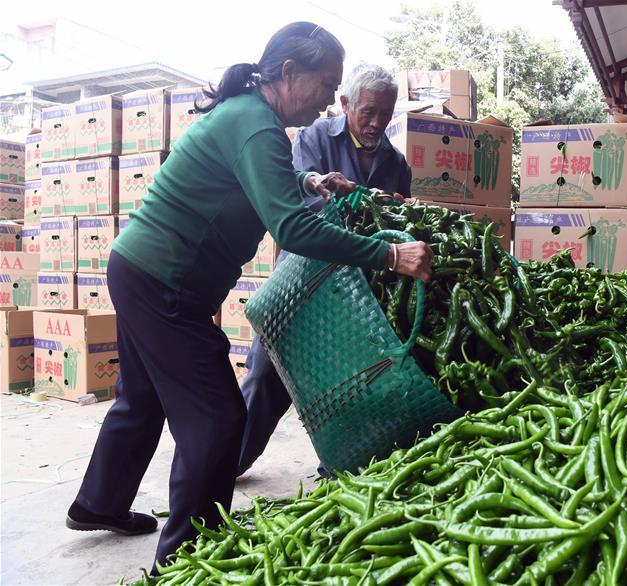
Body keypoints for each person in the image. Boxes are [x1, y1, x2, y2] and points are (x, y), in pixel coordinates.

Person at [64, 22, 433, 570]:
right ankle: (187, 558)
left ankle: (99, 502)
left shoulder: (250, 117)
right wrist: (390, 255)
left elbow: (249, 181)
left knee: (141, 399)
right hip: (166, 281)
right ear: (289, 73)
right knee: (216, 419)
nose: (330, 98)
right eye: (326, 82)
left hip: (141, 267)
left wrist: (310, 183)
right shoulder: (257, 127)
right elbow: (293, 232)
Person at [237, 63, 411, 477]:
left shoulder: (396, 161)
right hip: (303, 280)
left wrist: (392, 212)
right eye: (368, 112)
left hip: (360, 295)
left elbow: (399, 219)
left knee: (350, 382)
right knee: (267, 373)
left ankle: (337, 467)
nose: (376, 123)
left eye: (385, 114)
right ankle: (226, 462)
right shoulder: (314, 139)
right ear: (347, 104)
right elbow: (304, 210)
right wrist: (368, 212)